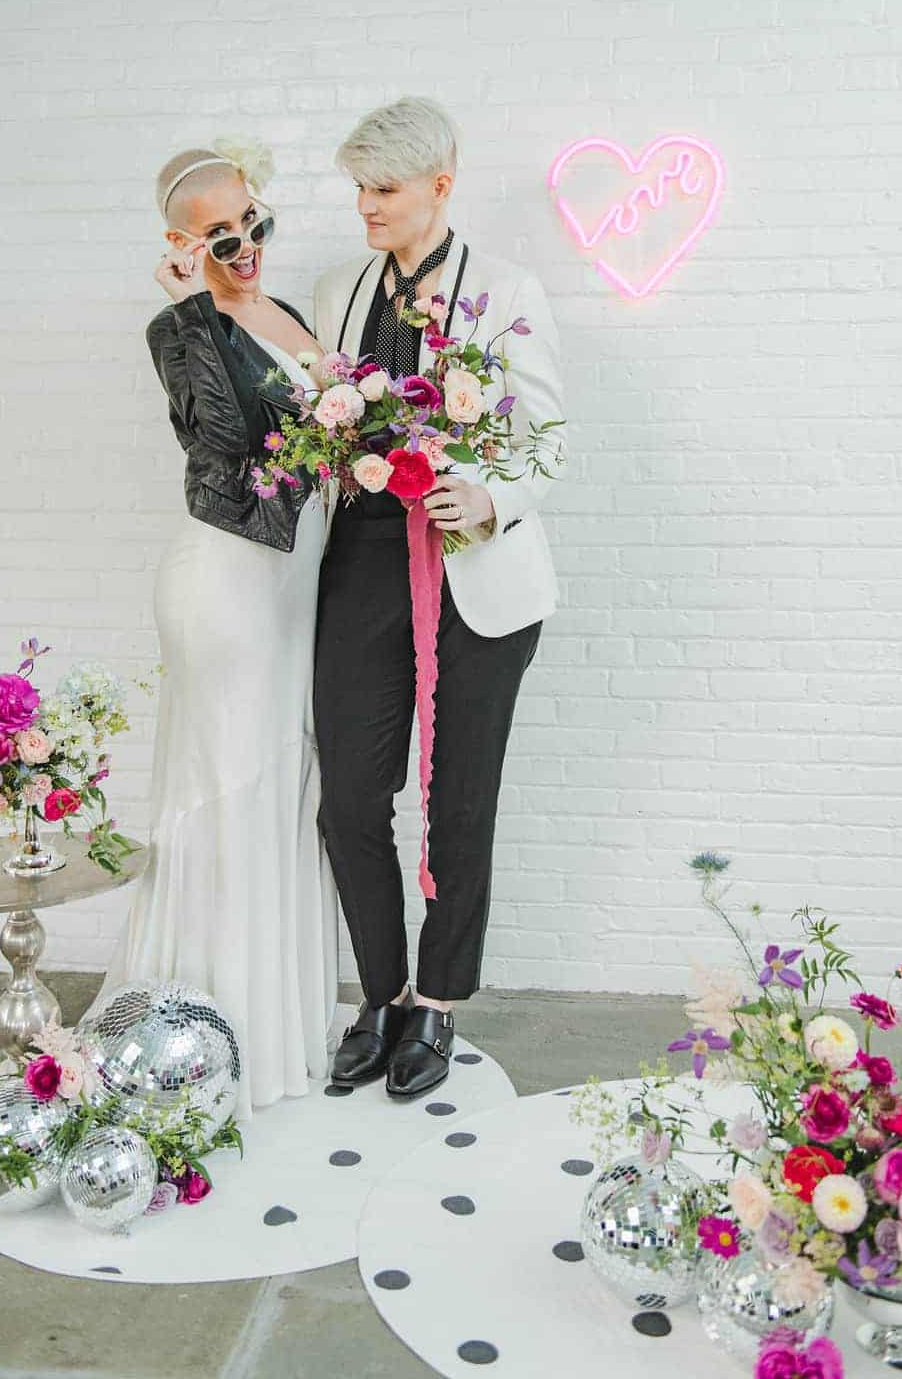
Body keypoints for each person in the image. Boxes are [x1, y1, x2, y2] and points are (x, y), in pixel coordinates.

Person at [312, 96, 565, 1099]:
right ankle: (380, 995)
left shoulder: (505, 290)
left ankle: (438, 1001)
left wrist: (492, 496)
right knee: (348, 797)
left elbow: (547, 435)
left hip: (476, 569)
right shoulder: (336, 290)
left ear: (440, 186)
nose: (365, 207)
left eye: (383, 189)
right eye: (358, 189)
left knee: (460, 801)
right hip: (361, 560)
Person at [90, 144, 338, 1120]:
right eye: (222, 237)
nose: (247, 248)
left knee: (281, 785)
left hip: (292, 589)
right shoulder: (177, 328)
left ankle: (277, 1030)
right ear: (183, 245)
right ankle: (205, 1040)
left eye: (254, 224)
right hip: (225, 587)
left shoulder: (292, 312)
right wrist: (196, 306)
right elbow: (225, 440)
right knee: (230, 786)